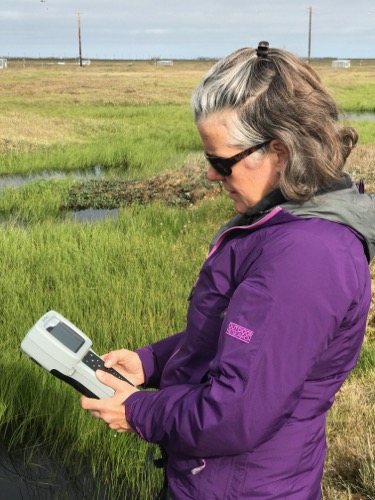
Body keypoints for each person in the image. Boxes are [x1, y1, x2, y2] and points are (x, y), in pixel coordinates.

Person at [81, 42, 375, 499]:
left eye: (221, 162)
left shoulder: (306, 257)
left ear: (278, 150)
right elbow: (245, 335)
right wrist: (152, 361)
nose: (213, 177)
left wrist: (139, 412)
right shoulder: (281, 218)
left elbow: (235, 415)